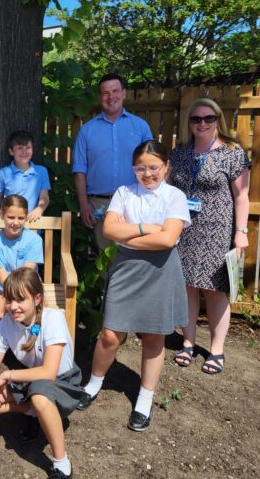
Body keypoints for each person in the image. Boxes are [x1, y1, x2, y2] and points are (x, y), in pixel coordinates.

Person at [77, 141, 190, 432]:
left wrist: (129, 235)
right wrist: (148, 228)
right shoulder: (124, 193)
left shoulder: (175, 196)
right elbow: (109, 230)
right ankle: (94, 382)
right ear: (134, 168)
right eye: (141, 167)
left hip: (160, 270)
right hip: (126, 269)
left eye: (154, 167)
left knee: (154, 336)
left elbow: (168, 240)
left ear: (166, 167)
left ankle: (145, 398)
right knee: (110, 334)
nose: (148, 173)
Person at [0, 268, 83, 479]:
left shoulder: (53, 319)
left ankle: (62, 462)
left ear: (37, 298)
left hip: (62, 382)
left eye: (20, 300)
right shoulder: (7, 322)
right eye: (10, 300)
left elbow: (49, 373)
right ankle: (31, 412)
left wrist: (7, 375)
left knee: (40, 395)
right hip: (31, 377)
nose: (13, 307)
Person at [169, 98, 250, 375]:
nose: (202, 123)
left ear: (218, 120)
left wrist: (241, 233)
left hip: (218, 232)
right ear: (188, 123)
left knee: (216, 292)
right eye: (196, 119)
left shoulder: (232, 153)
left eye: (208, 118)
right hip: (184, 231)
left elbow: (242, 196)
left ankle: (216, 349)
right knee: (186, 288)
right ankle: (188, 343)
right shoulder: (179, 154)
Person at [72, 73, 153, 252]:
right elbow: (79, 171)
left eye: (115, 91)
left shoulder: (140, 127)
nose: (111, 97)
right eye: (105, 93)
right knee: (105, 260)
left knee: (136, 257)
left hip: (135, 201)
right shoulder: (87, 131)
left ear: (124, 93)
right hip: (100, 205)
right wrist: (83, 204)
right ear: (100, 97)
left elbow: (152, 164)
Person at [0, 194, 43, 369]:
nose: (16, 222)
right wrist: (6, 298)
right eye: (11, 217)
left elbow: (26, 274)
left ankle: (37, 363)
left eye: (21, 218)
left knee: (39, 323)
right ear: (2, 215)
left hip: (28, 289)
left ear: (26, 216)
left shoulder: (34, 240)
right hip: (0, 287)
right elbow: (1, 276)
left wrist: (7, 300)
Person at [0, 130, 50, 222]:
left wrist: (39, 209)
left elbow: (44, 197)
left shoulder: (41, 172)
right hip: (8, 224)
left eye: (28, 147)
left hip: (32, 224)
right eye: (20, 148)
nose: (24, 152)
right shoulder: (3, 173)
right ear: (11, 151)